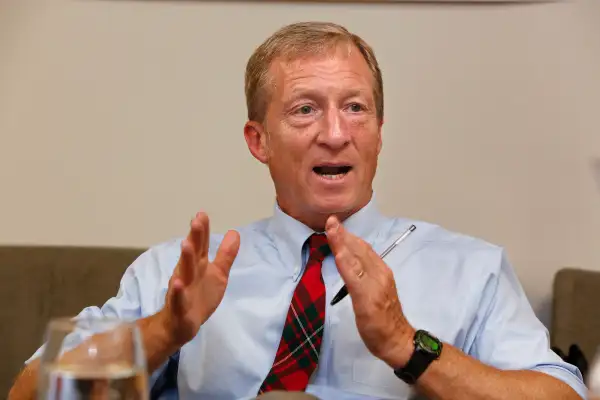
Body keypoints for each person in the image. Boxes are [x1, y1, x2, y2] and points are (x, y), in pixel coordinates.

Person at [9, 21, 587, 400]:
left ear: (380, 133)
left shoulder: (471, 268)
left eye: (355, 108)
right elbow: (32, 390)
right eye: (305, 109)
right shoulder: (182, 274)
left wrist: (409, 345)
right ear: (258, 140)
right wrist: (165, 331)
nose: (335, 134)